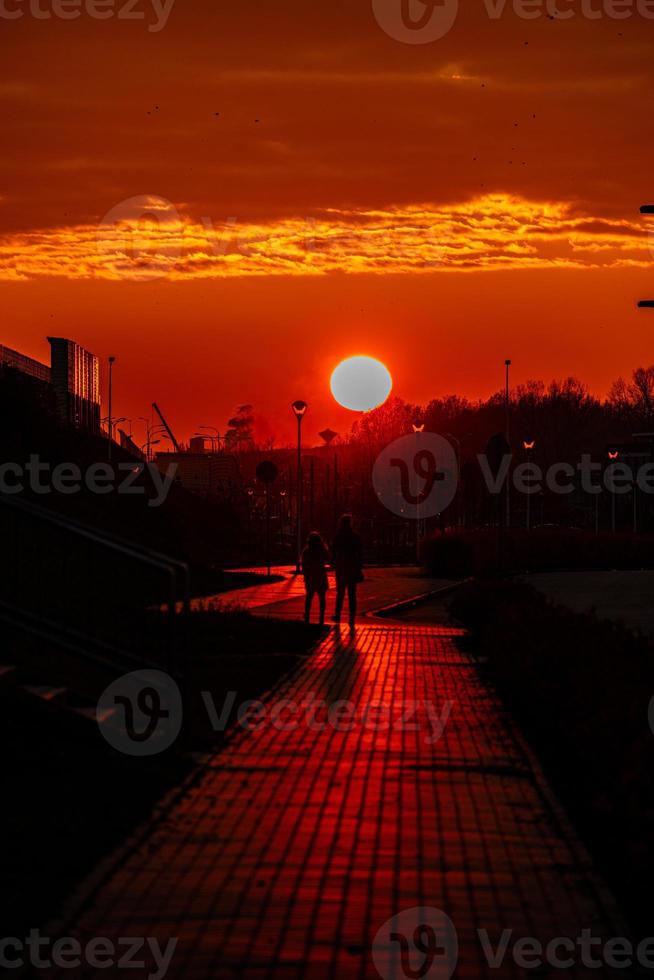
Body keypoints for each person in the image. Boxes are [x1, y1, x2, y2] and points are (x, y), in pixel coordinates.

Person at [331, 514, 363, 628]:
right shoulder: (355, 536)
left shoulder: (338, 536)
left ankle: (338, 614)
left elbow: (333, 551)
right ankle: (352, 616)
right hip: (352, 566)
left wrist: (334, 563)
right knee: (352, 593)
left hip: (341, 567)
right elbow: (359, 552)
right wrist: (359, 566)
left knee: (340, 593)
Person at [301, 531, 329, 625]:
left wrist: (305, 574)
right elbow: (328, 558)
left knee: (309, 597)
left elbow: (304, 565)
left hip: (310, 576)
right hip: (320, 575)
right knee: (322, 597)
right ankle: (321, 615)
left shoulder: (307, 551)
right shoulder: (322, 550)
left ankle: (307, 614)